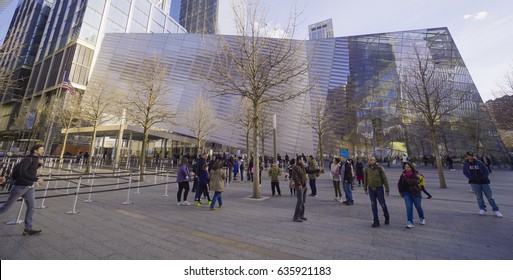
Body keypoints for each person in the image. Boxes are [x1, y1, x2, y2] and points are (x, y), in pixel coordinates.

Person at [0, 144, 45, 236]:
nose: (42, 151)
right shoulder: (28, 158)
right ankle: (28, 228)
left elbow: (31, 170)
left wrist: (39, 164)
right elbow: (23, 173)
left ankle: (27, 229)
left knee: (32, 207)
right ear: (35, 150)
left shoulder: (36, 159)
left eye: (42, 149)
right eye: (41, 149)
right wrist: (37, 179)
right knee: (6, 207)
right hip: (20, 186)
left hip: (29, 187)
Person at [463, 151, 503, 217]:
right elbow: (465, 172)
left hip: (484, 182)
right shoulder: (466, 164)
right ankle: (482, 209)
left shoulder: (479, 162)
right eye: (470, 155)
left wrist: (483, 177)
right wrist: (470, 178)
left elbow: (486, 171)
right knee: (479, 197)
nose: (471, 157)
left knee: (490, 197)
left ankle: (496, 210)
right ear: (467, 156)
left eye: (472, 155)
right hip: (474, 183)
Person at [364, 157, 390, 228]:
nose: (369, 161)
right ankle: (376, 221)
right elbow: (365, 179)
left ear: (375, 161)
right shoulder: (366, 169)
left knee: (382, 204)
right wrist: (365, 188)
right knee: (373, 205)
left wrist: (387, 189)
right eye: (369, 160)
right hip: (371, 189)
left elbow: (384, 179)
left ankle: (386, 216)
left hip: (379, 189)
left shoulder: (379, 168)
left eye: (371, 160)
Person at [398, 162, 425, 229]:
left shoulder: (416, 174)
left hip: (416, 193)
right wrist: (401, 191)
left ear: (411, 167)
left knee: (418, 207)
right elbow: (399, 183)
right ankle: (410, 222)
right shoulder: (403, 174)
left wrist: (406, 177)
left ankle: (422, 217)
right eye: (406, 167)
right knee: (409, 207)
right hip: (406, 193)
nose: (407, 168)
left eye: (408, 167)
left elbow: (413, 182)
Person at [291, 156, 307, 222]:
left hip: (304, 186)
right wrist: (299, 184)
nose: (303, 161)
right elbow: (295, 177)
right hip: (299, 186)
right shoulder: (295, 167)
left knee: (303, 201)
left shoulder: (302, 167)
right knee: (299, 201)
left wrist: (318, 170)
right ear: (299, 160)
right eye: (302, 160)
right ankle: (296, 217)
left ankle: (301, 215)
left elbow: (308, 171)